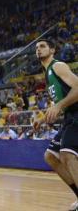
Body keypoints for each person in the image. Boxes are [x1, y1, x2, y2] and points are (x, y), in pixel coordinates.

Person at [36, 39, 78, 211]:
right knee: (51, 156)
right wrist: (41, 118)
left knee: (67, 155)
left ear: (52, 50)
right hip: (69, 116)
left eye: (43, 46)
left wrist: (59, 106)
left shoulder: (58, 66)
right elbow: (59, 102)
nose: (38, 49)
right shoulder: (47, 75)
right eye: (36, 48)